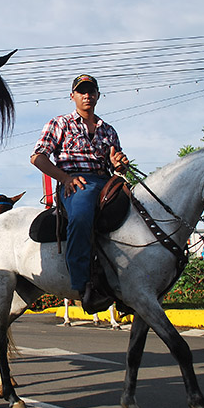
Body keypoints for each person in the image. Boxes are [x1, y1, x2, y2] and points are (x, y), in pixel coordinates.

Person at [30, 74, 129, 314]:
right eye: (81, 91)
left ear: (98, 95)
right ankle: (83, 284)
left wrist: (119, 164)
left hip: (106, 182)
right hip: (77, 182)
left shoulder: (108, 130)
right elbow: (37, 157)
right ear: (72, 96)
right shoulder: (60, 123)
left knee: (136, 210)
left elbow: (116, 162)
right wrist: (65, 178)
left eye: (91, 91)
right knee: (82, 215)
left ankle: (132, 278)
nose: (87, 95)